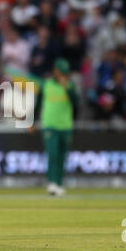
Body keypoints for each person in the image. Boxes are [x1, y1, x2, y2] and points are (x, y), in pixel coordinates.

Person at [33, 58, 77, 196]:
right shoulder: (46, 84)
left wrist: (67, 89)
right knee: (53, 154)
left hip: (65, 126)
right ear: (55, 71)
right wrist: (32, 121)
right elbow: (38, 104)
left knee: (62, 156)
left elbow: (76, 103)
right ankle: (52, 183)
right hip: (50, 125)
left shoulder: (70, 85)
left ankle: (59, 183)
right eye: (61, 72)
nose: (63, 75)